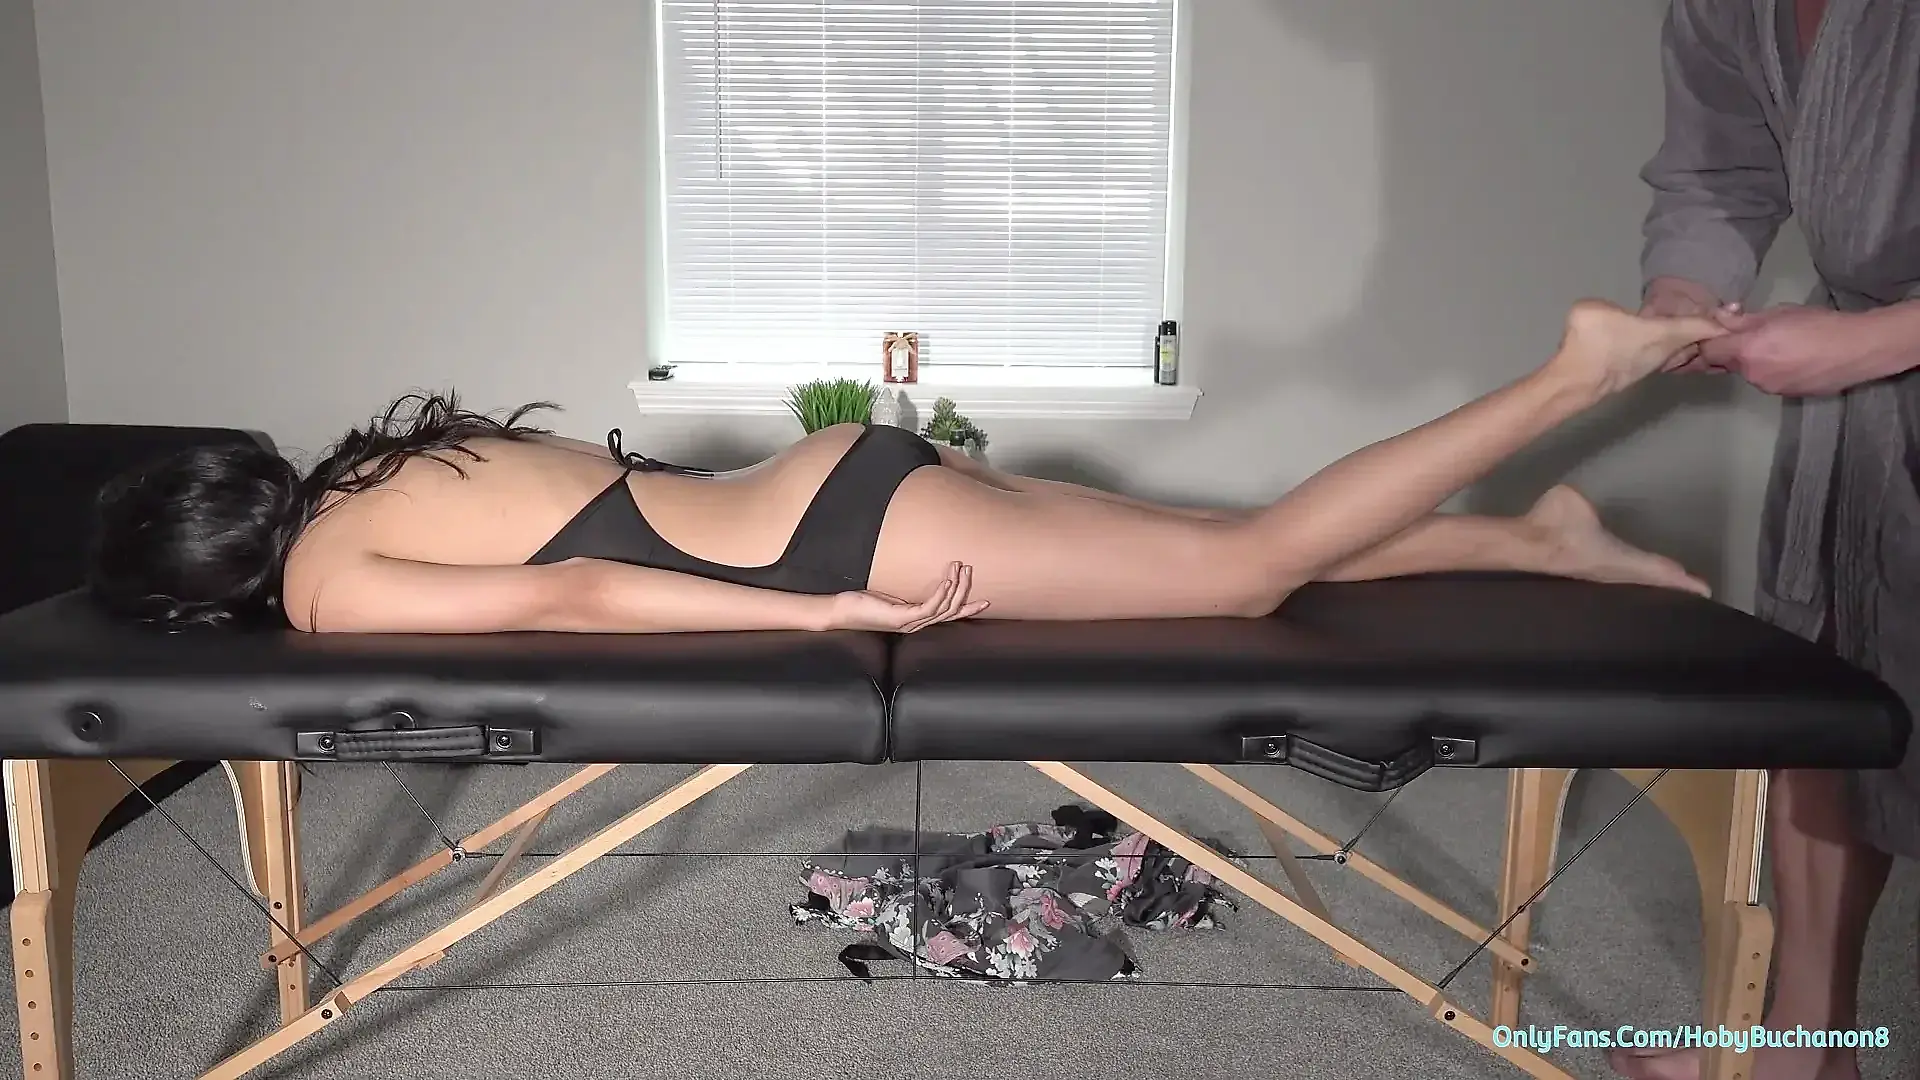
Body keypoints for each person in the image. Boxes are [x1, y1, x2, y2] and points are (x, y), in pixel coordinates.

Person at [84, 300, 1720, 637]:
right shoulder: (363, 479)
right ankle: (1545, 539)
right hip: (836, 483)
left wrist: (815, 622)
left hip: (842, 546)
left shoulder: (327, 585)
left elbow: (576, 591)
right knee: (1243, 544)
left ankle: (1568, 377)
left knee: (1243, 570)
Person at [1610, 3, 1920, 1080]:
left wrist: (1882, 339)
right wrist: (1684, 293)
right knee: (1824, 702)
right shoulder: (1724, 9)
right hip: (1858, 416)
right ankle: (1804, 1051)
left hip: (1876, 352)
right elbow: (1716, 173)